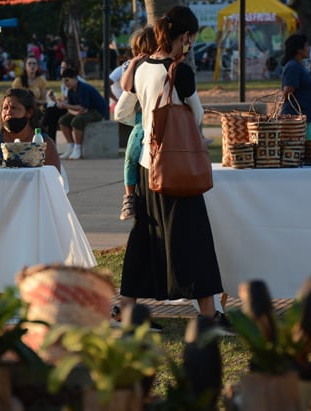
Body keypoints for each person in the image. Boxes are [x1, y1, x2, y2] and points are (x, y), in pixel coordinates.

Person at [113, 6, 224, 325]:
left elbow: (125, 110)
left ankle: (126, 308)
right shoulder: (180, 71)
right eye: (190, 38)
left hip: (149, 166)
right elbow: (198, 116)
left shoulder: (142, 67)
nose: (190, 44)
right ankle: (208, 315)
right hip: (176, 167)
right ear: (185, 36)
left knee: (144, 238)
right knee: (195, 240)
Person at [115, 26, 157, 220]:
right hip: (141, 119)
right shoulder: (135, 65)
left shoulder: (160, 65)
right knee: (131, 154)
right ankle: (129, 196)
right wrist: (133, 64)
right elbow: (126, 86)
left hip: (153, 117)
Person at [0, 88, 61, 172]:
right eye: (5, 108)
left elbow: (54, 178)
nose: (8, 112)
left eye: (14, 108)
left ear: (29, 112)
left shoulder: (45, 144)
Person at [57, 67, 108, 160]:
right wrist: (65, 105)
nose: (65, 83)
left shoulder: (83, 88)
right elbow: (74, 107)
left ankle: (77, 147)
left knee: (77, 121)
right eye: (64, 81)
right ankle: (70, 145)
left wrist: (65, 105)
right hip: (86, 110)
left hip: (97, 111)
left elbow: (82, 107)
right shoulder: (70, 91)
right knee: (63, 121)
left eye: (67, 80)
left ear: (75, 78)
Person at [281, 34, 311, 141]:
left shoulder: (298, 65)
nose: (309, 48)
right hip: (296, 121)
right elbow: (288, 91)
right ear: (298, 49)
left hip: (303, 120)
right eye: (306, 46)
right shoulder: (293, 67)